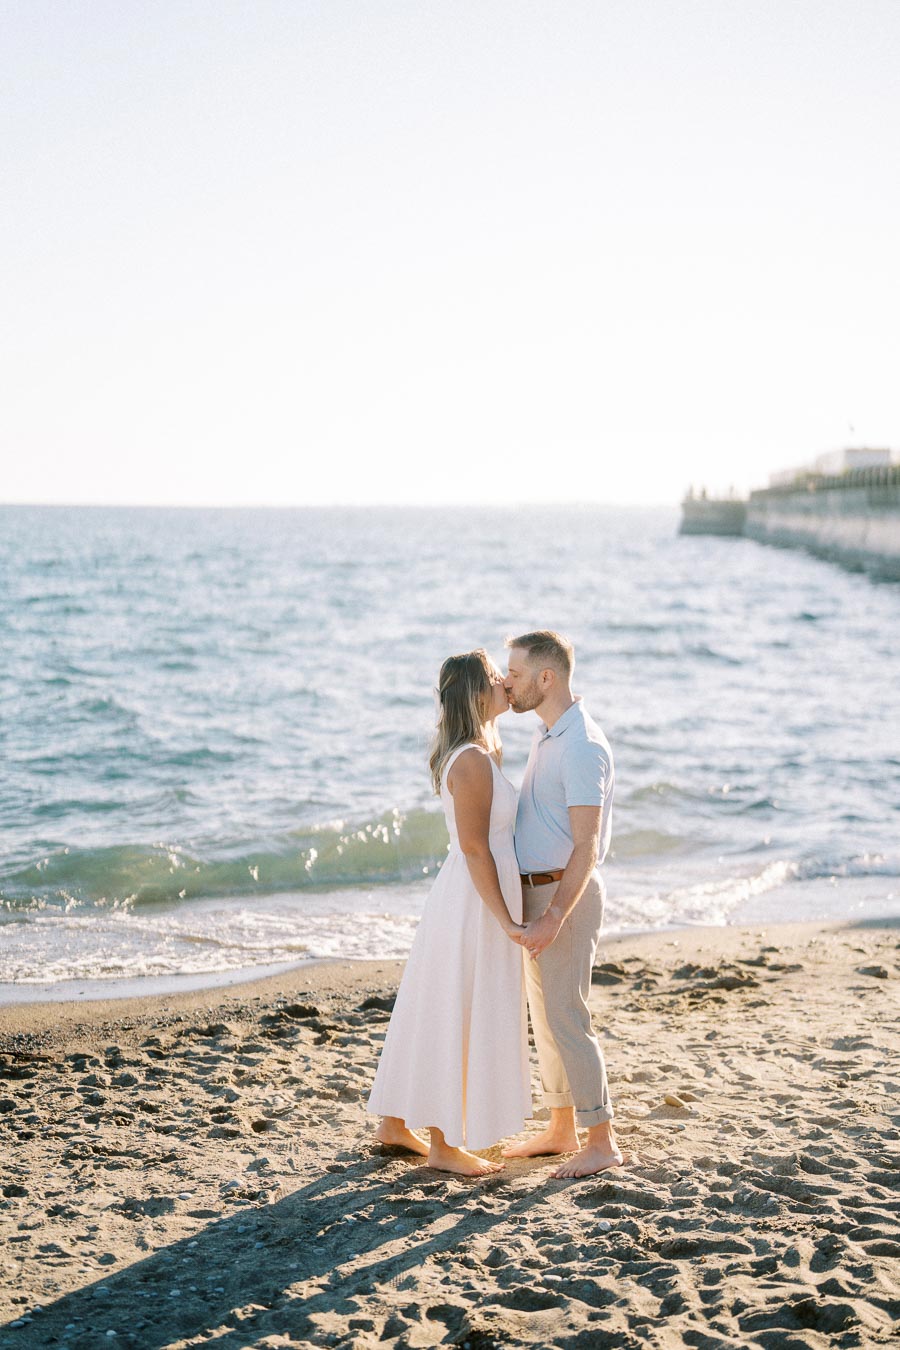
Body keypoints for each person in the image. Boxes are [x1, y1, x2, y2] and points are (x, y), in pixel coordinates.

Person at [367, 649, 531, 1176]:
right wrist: (507, 918)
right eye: (494, 677)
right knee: (454, 1008)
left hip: (462, 896)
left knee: (429, 1005)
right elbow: (476, 848)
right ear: (476, 694)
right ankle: (442, 1143)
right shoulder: (473, 760)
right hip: (474, 902)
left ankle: (394, 1125)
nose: (506, 680)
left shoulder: (479, 752)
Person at [501, 630, 624, 1179]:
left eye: (517, 674)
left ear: (546, 678)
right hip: (536, 890)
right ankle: (560, 1129)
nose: (508, 682)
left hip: (563, 895)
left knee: (568, 1016)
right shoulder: (549, 733)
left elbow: (588, 846)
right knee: (546, 1018)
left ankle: (601, 1141)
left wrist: (553, 914)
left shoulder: (581, 745)